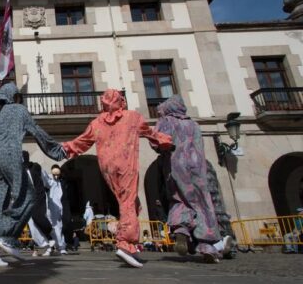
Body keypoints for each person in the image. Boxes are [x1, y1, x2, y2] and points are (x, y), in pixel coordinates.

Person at [63, 89, 172, 268]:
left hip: (107, 166)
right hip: (125, 163)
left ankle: (132, 247)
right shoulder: (132, 117)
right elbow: (150, 133)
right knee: (128, 200)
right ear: (121, 101)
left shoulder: (97, 123)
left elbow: (82, 142)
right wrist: (165, 140)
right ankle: (125, 243)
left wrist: (65, 149)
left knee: (128, 200)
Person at [0, 83, 67, 268]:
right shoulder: (19, 110)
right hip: (9, 156)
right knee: (27, 195)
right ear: (14, 97)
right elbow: (37, 131)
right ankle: (6, 235)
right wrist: (58, 151)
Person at [155, 95, 231, 263]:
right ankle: (208, 246)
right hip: (198, 168)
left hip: (176, 167)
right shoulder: (194, 125)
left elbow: (157, 142)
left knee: (179, 199)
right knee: (203, 203)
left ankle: (182, 230)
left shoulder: (167, 121)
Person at [23, 152, 58, 257]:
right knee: (33, 225)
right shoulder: (19, 171)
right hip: (27, 200)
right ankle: (48, 245)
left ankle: (51, 235)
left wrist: (45, 189)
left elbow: (48, 182)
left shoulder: (36, 167)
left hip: (39, 196)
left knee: (38, 217)